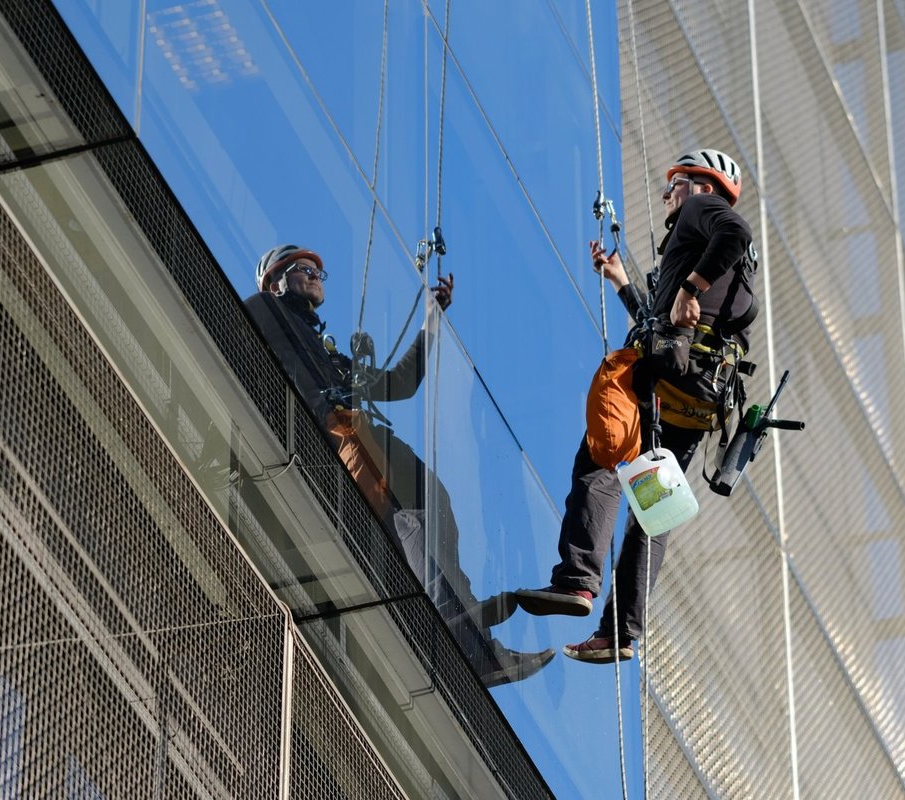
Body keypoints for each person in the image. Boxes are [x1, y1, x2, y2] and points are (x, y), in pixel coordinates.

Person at [244, 244, 554, 686]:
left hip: (361, 431)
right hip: (334, 435)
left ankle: (461, 609)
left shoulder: (327, 352)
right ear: (275, 282)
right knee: (407, 523)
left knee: (434, 501)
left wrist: (431, 320)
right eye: (303, 268)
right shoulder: (262, 311)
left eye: (318, 268)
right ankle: (467, 639)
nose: (315, 273)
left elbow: (400, 384)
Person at [516, 148, 758, 664]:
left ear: (701, 185)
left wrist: (691, 286)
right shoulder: (704, 251)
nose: (668, 193)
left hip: (661, 376)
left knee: (601, 457)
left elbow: (734, 235)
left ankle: (578, 580)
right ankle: (620, 632)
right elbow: (659, 317)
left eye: (674, 183)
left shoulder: (701, 213)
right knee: (655, 510)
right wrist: (623, 282)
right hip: (695, 399)